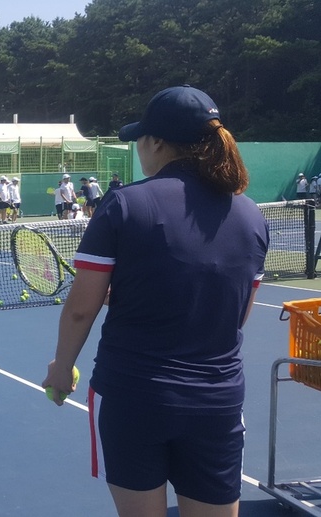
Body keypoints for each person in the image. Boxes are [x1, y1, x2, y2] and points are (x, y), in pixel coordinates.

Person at [42, 85, 268, 517]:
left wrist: (60, 367)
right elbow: (235, 315)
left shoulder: (124, 204)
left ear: (157, 142)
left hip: (134, 397)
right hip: (216, 402)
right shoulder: (251, 214)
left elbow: (80, 308)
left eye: (140, 139)